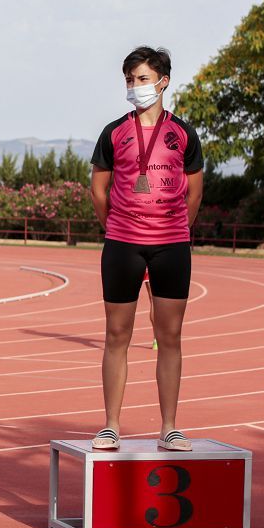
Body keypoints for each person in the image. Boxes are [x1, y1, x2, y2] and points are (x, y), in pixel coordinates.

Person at [89, 46, 203, 452]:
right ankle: (111, 425)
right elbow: (99, 190)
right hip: (122, 243)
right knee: (117, 333)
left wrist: (171, 230)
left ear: (163, 82)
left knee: (169, 335)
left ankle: (169, 426)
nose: (135, 87)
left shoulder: (184, 133)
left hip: (171, 245)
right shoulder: (114, 132)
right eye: (129, 80)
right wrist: (119, 228)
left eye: (141, 79)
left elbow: (194, 192)